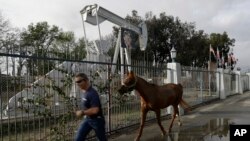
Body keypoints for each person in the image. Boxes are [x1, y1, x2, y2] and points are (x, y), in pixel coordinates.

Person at [74, 73, 107, 141]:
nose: (77, 84)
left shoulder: (92, 93)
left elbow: (95, 110)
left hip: (97, 121)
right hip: (88, 119)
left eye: (79, 81)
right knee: (78, 139)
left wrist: (82, 112)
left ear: (86, 80)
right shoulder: (85, 92)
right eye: (76, 82)